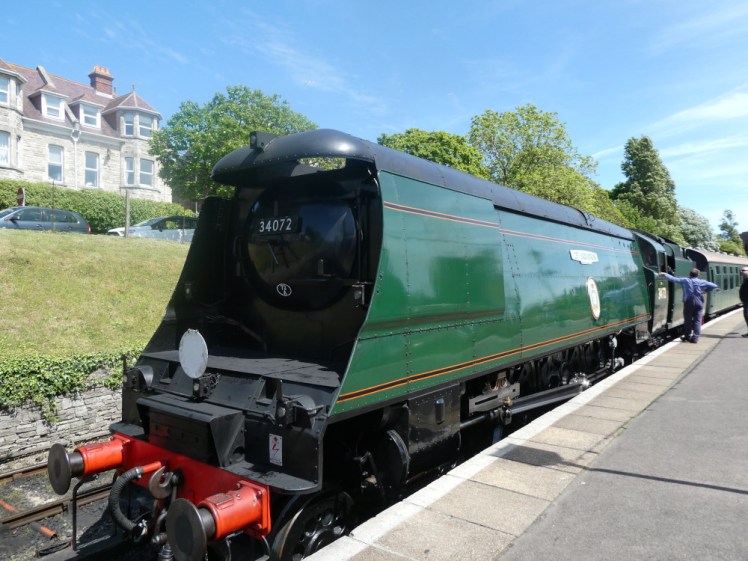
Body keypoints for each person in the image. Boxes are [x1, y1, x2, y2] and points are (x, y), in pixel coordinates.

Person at [659, 268, 719, 343]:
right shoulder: (702, 281)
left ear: (690, 274)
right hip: (699, 302)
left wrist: (665, 274)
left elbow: (674, 279)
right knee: (697, 321)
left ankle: (687, 336)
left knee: (688, 320)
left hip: (689, 302)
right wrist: (705, 291)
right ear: (698, 275)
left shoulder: (685, 280)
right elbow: (714, 286)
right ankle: (695, 338)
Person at [740, 267, 748, 337]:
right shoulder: (745, 280)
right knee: (746, 316)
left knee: (747, 315)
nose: (741, 271)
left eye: (743, 270)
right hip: (745, 301)